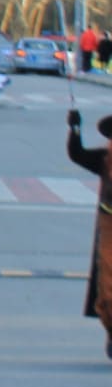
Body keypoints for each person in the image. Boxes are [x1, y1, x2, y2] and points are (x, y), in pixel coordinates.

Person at [67, 111, 112, 361]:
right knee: (107, 288)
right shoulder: (104, 158)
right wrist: (74, 130)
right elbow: (78, 155)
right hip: (110, 225)